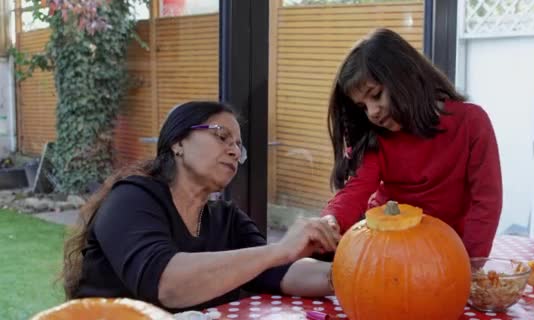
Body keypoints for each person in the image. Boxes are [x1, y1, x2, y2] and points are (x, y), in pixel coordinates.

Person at [61, 101, 340, 313]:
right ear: (178, 142)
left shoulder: (226, 218)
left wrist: (346, 275)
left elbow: (277, 272)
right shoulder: (131, 199)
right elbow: (166, 284)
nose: (234, 150)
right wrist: (279, 250)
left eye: (238, 146)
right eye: (221, 136)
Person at [320, 28, 502, 258]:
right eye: (362, 107)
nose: (372, 113)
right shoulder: (377, 136)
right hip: (386, 249)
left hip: (448, 253)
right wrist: (332, 219)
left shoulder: (472, 123)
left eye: (375, 95)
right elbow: (357, 189)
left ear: (404, 76)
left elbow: (486, 201)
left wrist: (471, 262)